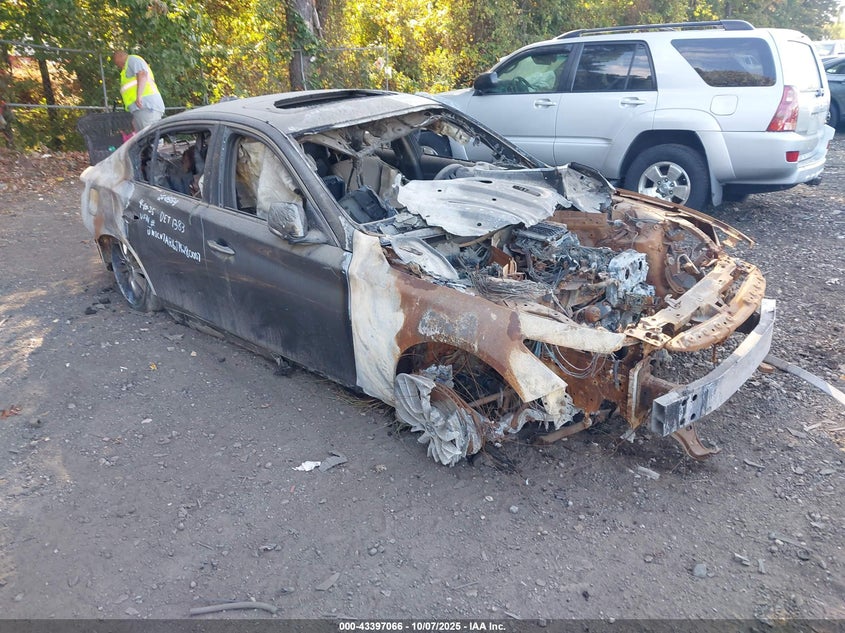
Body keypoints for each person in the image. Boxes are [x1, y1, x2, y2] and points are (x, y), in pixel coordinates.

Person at [113, 50, 165, 131]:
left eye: (116, 62)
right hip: (139, 108)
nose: (118, 65)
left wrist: (139, 96)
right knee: (144, 139)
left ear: (120, 57)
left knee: (151, 136)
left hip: (146, 105)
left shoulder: (132, 59)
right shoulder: (126, 68)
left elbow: (142, 74)